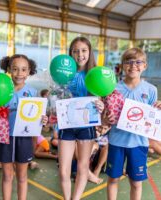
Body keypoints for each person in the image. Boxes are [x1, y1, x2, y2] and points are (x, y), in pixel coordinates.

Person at [105, 48, 161, 200]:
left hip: (139, 143)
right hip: (116, 141)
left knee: (136, 183)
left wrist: (158, 108)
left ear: (145, 65)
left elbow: (152, 118)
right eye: (129, 62)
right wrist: (107, 117)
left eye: (138, 62)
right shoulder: (113, 88)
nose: (133, 66)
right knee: (113, 179)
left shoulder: (151, 90)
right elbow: (106, 116)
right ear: (122, 65)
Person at [58, 36, 104, 200]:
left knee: (83, 166)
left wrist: (101, 106)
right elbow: (56, 98)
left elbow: (103, 100)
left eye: (84, 50)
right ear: (70, 53)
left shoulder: (95, 75)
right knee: (64, 170)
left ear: (90, 52)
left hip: (87, 126)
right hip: (67, 126)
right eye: (75, 51)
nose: (80, 55)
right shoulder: (64, 76)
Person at [0, 54, 48, 200]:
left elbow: (37, 115)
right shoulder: (2, 89)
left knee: (22, 176)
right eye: (15, 69)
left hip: (24, 138)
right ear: (9, 69)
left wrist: (43, 119)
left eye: (23, 69)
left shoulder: (32, 92)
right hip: (5, 136)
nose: (19, 73)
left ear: (29, 71)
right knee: (7, 175)